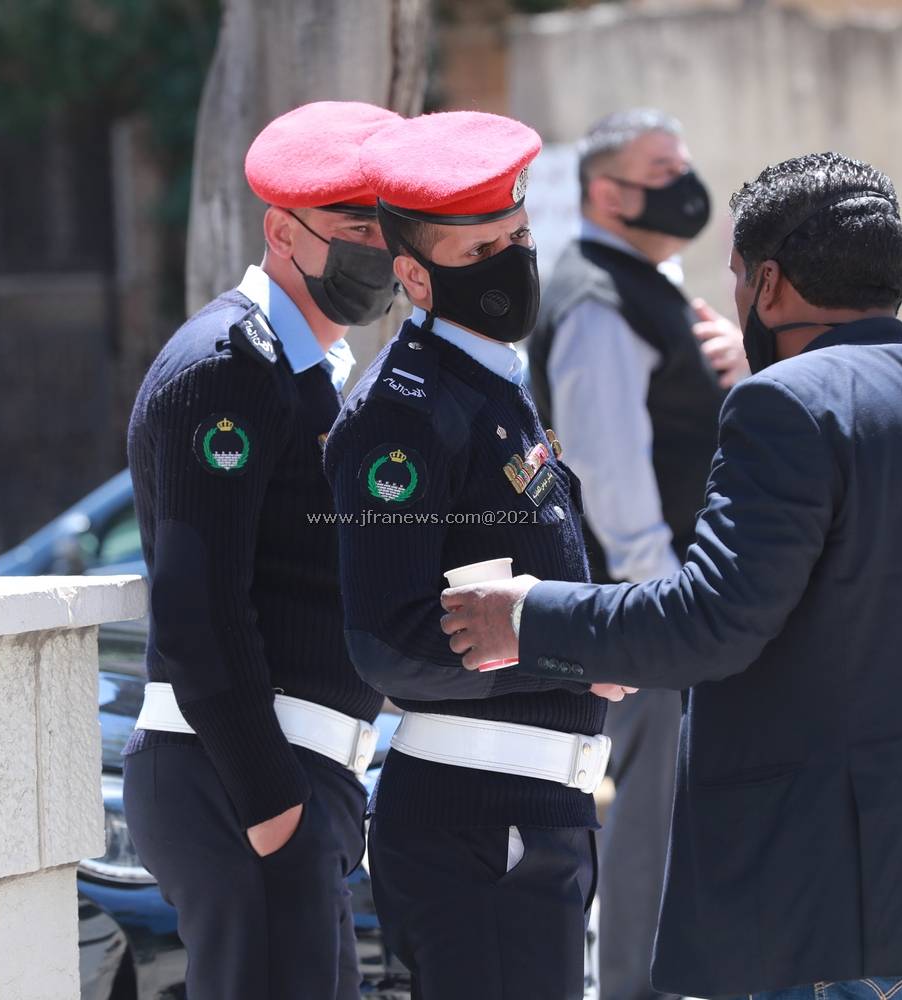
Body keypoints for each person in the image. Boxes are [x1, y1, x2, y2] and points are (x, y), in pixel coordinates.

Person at [439, 152, 902, 1000]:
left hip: (842, 910)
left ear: (769, 285)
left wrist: (526, 618)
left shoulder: (784, 404)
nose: (739, 300)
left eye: (740, 279)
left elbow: (712, 620)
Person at [323, 110, 623, 1000]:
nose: (511, 261)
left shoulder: (491, 385)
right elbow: (391, 641)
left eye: (518, 237)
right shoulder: (405, 413)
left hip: (533, 816)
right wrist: (574, 651)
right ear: (415, 276)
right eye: (480, 249)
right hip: (478, 822)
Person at [120, 100, 401, 999]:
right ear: (283, 232)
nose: (382, 252)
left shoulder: (308, 371)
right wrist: (274, 805)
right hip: (243, 777)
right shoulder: (231, 366)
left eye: (391, 230)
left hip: (290, 779)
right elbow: (198, 607)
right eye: (357, 230)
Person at [526, 108, 745, 1000]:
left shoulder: (648, 286)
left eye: (683, 165)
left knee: (677, 817)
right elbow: (612, 485)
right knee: (652, 823)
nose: (684, 185)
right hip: (649, 615)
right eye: (662, 171)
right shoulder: (597, 301)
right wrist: (679, 615)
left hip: (674, 610)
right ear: (608, 193)